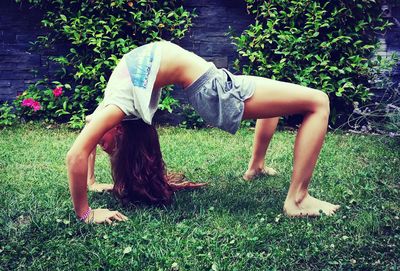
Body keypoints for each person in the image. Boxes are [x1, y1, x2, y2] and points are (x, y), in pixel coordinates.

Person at [66, 41, 340, 224]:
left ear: (117, 130)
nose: (100, 145)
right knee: (319, 102)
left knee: (278, 103)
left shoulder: (111, 108)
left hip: (214, 87)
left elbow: (87, 138)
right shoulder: (117, 110)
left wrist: (91, 181)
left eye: (103, 143)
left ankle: (256, 167)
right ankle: (297, 200)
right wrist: (85, 213)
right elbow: (76, 153)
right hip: (213, 88)